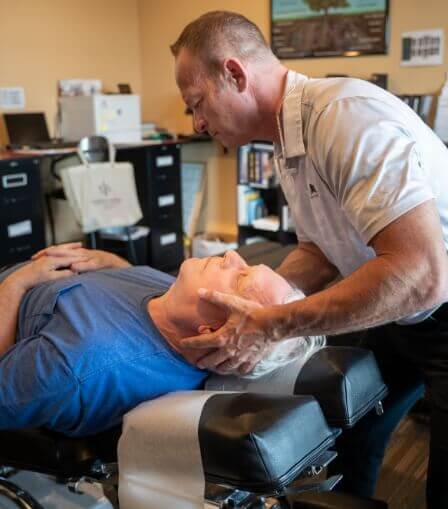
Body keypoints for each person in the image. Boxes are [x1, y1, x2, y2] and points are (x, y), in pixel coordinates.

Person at [171, 11, 448, 508]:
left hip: (433, 297)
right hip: (400, 305)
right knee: (350, 436)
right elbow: (320, 250)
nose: (197, 123)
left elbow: (423, 275)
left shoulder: (344, 118)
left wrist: (274, 324)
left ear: (235, 74)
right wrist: (252, 296)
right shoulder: (285, 140)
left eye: (198, 104)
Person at [0, 243, 322, 437]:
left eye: (239, 277)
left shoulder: (78, 366)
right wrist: (114, 266)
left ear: (213, 332)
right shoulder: (178, 307)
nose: (233, 255)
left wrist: (16, 285)